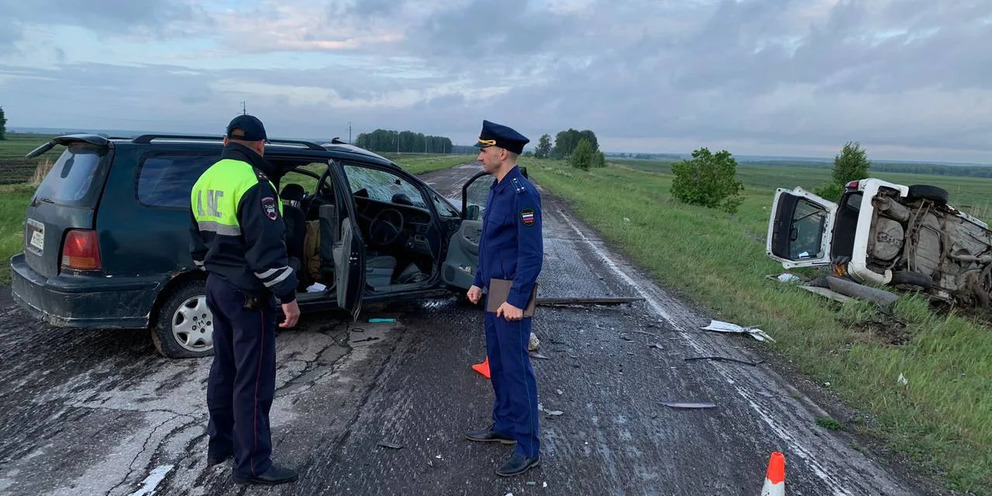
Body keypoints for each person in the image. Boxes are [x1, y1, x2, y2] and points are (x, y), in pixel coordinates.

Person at [189, 114, 301, 486]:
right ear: (260, 145)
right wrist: (287, 296)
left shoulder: (205, 179)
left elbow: (197, 244)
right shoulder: (255, 183)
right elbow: (266, 252)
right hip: (248, 294)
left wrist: (217, 270)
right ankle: (252, 464)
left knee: (225, 369)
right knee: (253, 381)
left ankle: (220, 445)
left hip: (217, 287)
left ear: (226, 142)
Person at [464, 120, 543, 477]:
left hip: (512, 292)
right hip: (494, 288)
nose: (480, 155)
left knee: (516, 369)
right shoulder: (496, 189)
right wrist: (479, 282)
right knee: (497, 361)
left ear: (502, 152)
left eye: (484, 149)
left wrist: (516, 298)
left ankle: (528, 447)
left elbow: (531, 254)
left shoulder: (522, 193)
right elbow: (490, 244)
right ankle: (505, 425)